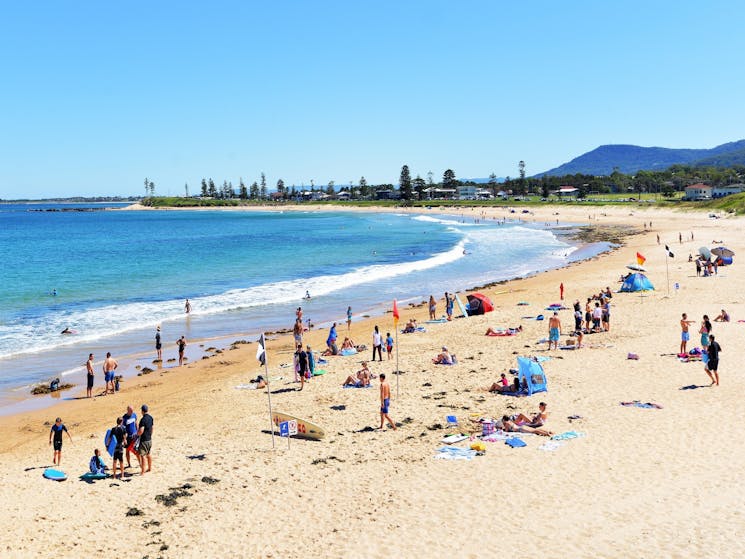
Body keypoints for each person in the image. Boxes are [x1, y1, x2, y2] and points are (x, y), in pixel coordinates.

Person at [137, 404, 154, 475]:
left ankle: (143, 471)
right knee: (149, 454)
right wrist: (150, 435)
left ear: (142, 411)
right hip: (149, 439)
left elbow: (141, 430)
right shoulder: (150, 417)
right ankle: (150, 468)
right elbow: (152, 428)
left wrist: (137, 434)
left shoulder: (143, 420)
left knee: (143, 456)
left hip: (144, 440)